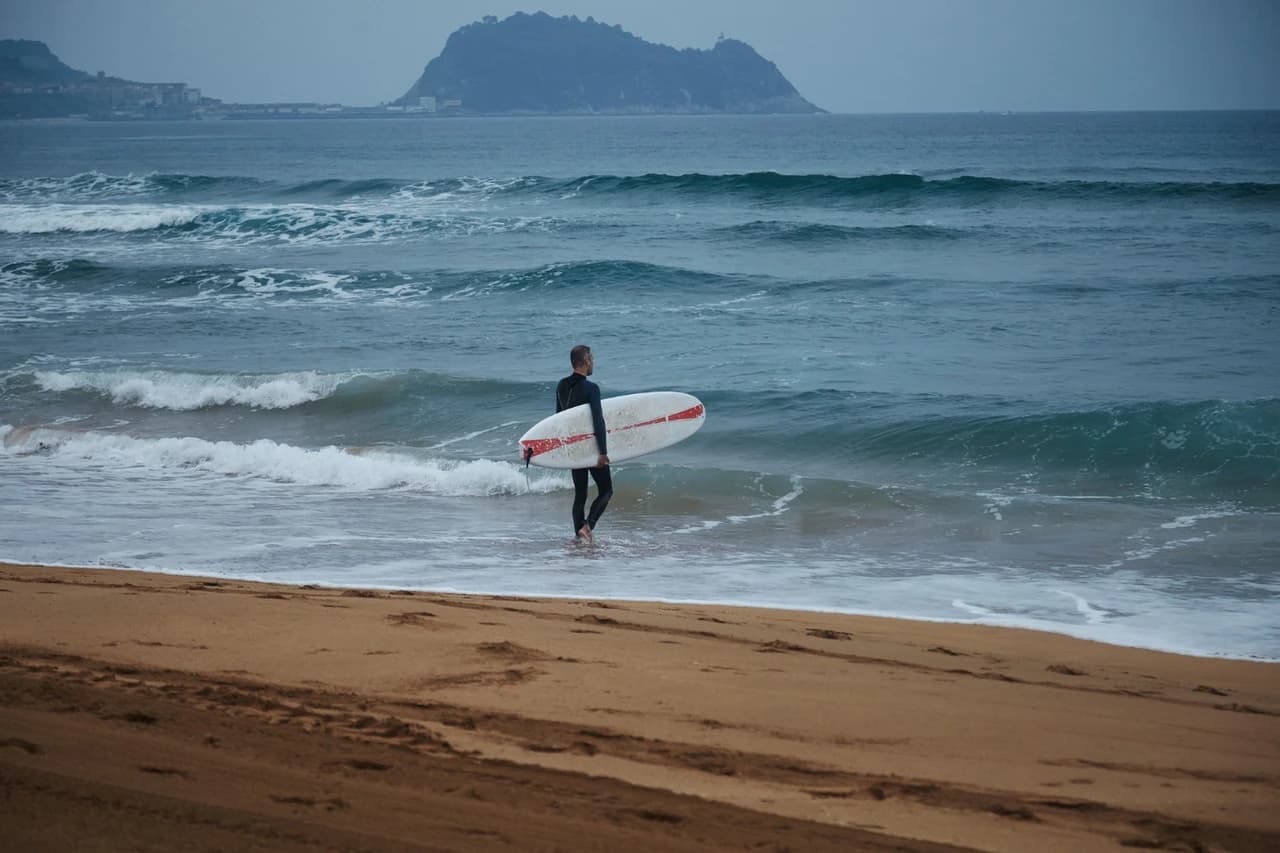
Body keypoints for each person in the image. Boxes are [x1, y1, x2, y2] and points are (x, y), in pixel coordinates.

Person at [555, 344, 611, 542]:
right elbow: (598, 420)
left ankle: (579, 535)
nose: (593, 362)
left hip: (573, 448)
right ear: (586, 361)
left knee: (580, 494)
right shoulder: (591, 389)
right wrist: (602, 452)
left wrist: (563, 448)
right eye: (592, 359)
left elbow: (558, 419)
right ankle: (588, 526)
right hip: (591, 447)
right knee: (606, 490)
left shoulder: (561, 386)